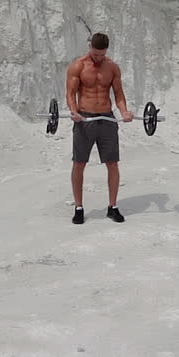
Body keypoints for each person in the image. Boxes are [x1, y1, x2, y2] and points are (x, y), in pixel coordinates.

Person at [66, 32, 133, 224]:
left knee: (112, 163)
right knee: (79, 163)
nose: (99, 58)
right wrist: (73, 111)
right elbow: (70, 94)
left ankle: (113, 207)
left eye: (102, 55)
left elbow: (119, 94)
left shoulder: (112, 67)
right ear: (90, 48)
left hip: (107, 119)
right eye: (96, 54)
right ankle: (79, 208)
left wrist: (125, 112)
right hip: (84, 119)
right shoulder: (78, 66)